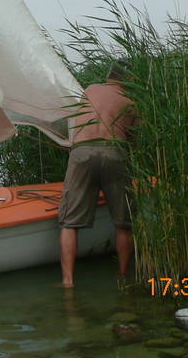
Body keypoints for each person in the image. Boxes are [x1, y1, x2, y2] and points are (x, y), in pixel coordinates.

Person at [58, 61, 138, 287]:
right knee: (124, 224)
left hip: (82, 153)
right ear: (129, 79)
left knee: (69, 223)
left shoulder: (90, 90)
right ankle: (122, 277)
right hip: (116, 153)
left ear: (108, 76)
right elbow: (134, 143)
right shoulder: (131, 103)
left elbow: (76, 121)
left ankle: (68, 281)